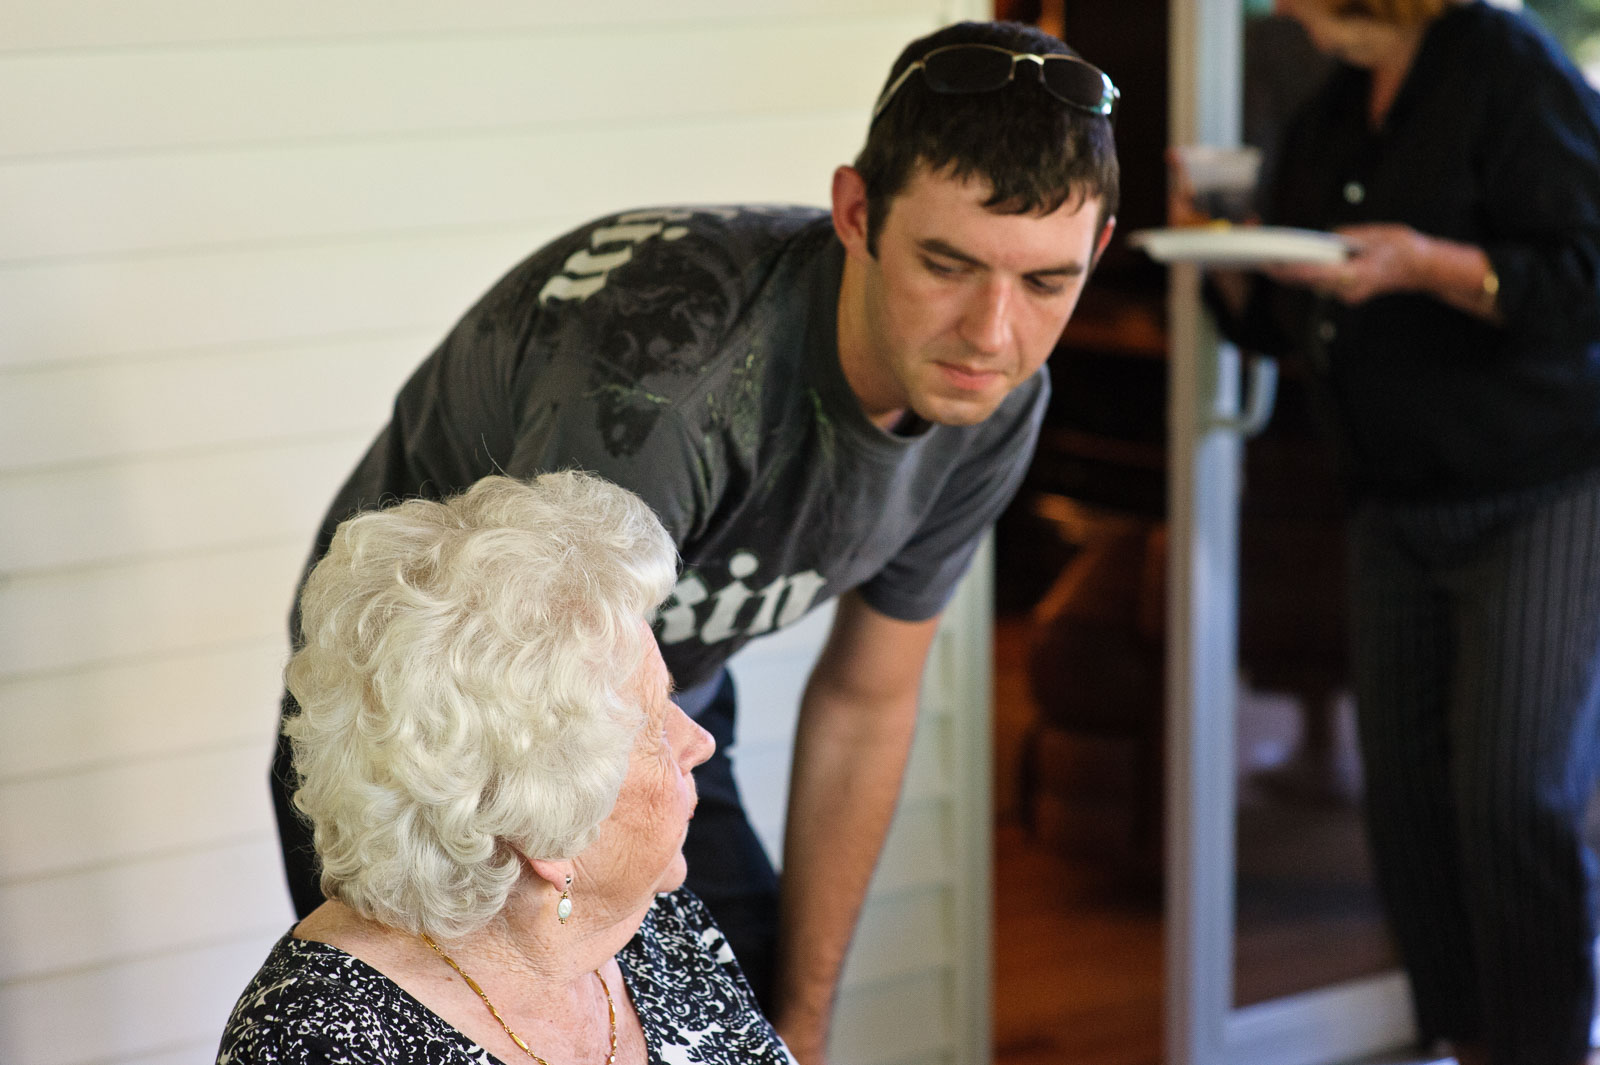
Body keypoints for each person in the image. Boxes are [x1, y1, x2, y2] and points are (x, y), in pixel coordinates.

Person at [271, 19, 1119, 1062]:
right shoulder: (665, 392)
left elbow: (867, 702)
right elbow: (521, 724)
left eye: (1045, 283)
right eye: (947, 265)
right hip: (435, 738)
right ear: (856, 213)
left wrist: (800, 1027)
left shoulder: (993, 396)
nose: (991, 333)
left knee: (742, 1008)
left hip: (649, 710)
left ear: (1097, 253)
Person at [1179, 1, 1600, 1062]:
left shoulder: (1505, 67)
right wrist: (1222, 250)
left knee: (1512, 797)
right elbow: (1283, 316)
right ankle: (1461, 1041)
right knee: (1407, 812)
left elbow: (1585, 278)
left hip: (1540, 491)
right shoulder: (1330, 113)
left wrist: (1427, 265)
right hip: (1388, 504)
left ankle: (1544, 1048)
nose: (1284, 8)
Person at [222, 472, 793, 1064]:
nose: (700, 741)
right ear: (549, 831)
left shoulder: (655, 925)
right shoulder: (316, 1042)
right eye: (653, 723)